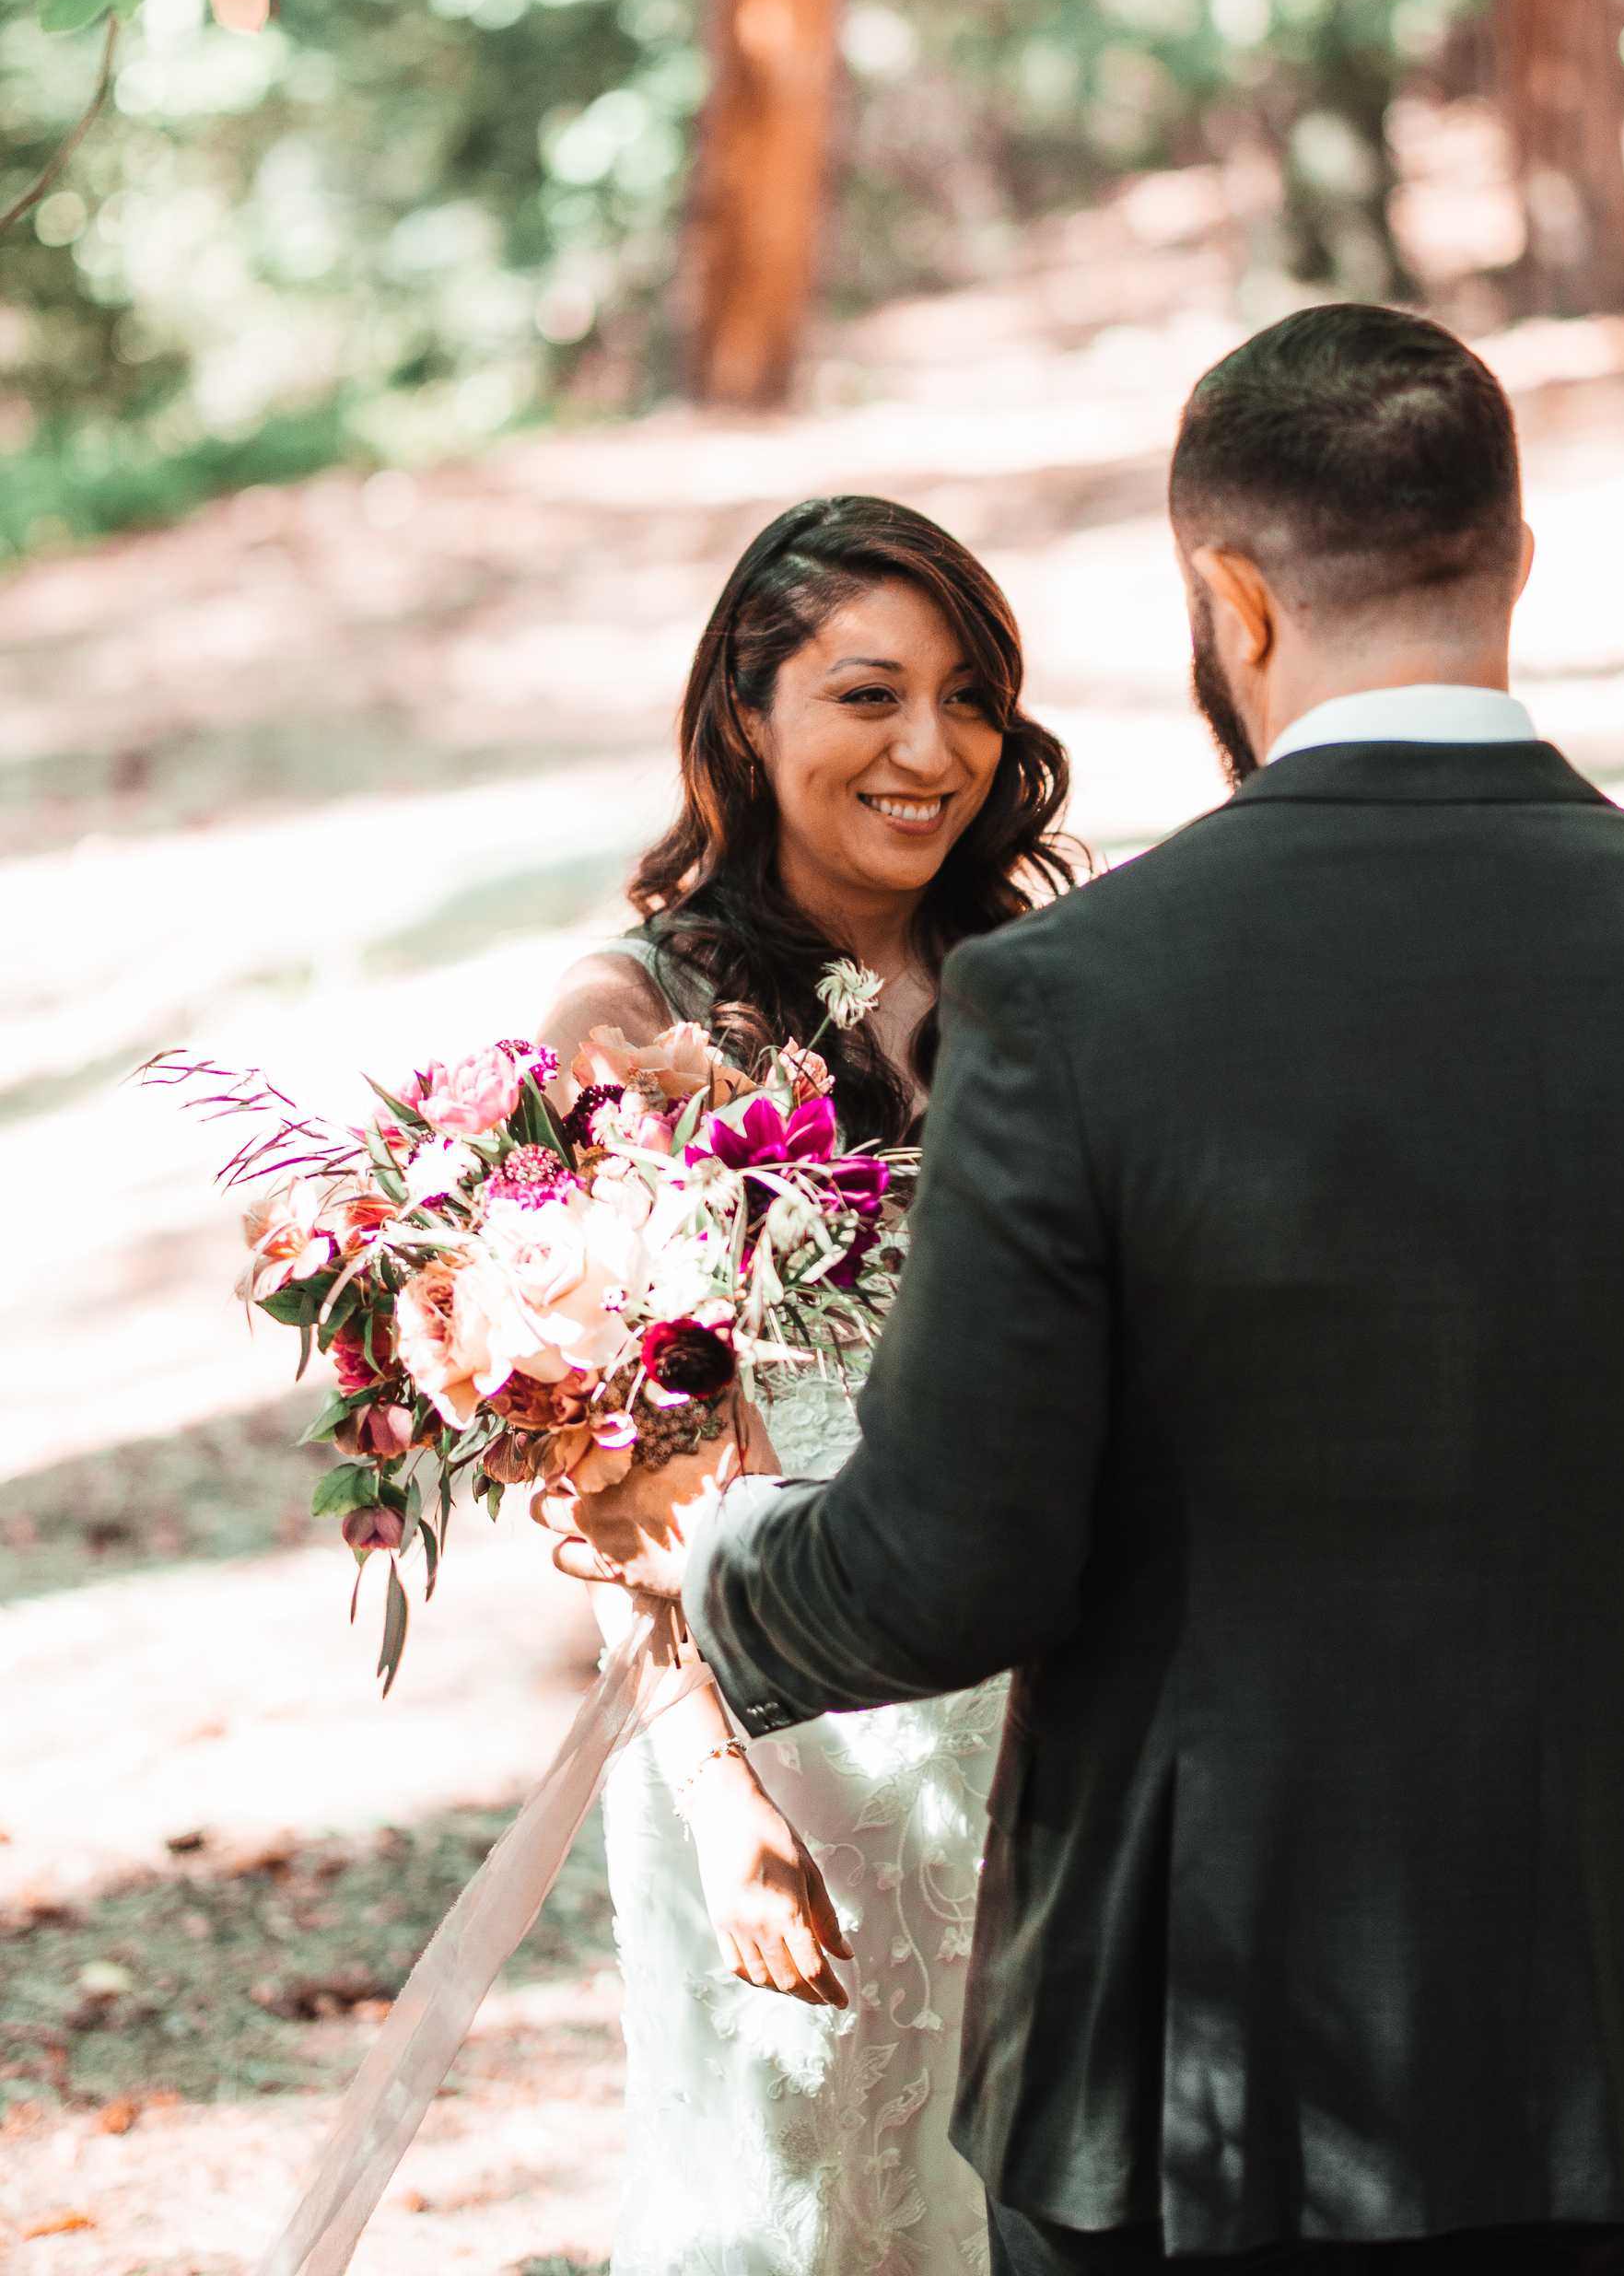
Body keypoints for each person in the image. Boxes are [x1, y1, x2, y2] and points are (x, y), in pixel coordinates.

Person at [557, 304, 1624, 2276]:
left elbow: (955, 1566)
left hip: (1194, 2100)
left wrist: (711, 1552)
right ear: (1513, 561)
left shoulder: (1077, 1005)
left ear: (1229, 598)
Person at [537, 494, 1076, 2276]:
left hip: (1050, 1712)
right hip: (779, 1726)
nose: (932, 750)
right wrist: (728, 1806)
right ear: (742, 719)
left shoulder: (1054, 993)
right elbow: (597, 1467)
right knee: (794, 2196)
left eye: (971, 698)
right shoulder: (626, 1023)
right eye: (868, 695)